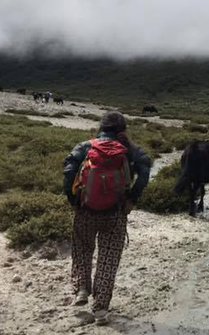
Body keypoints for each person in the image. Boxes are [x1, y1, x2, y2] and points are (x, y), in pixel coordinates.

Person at [63, 111, 152, 324]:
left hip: (85, 210)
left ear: (101, 127)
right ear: (123, 130)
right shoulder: (130, 151)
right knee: (109, 258)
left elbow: (68, 170)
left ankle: (82, 289)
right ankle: (101, 309)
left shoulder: (86, 146)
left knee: (82, 248)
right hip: (116, 212)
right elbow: (145, 170)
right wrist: (132, 198)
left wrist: (73, 199)